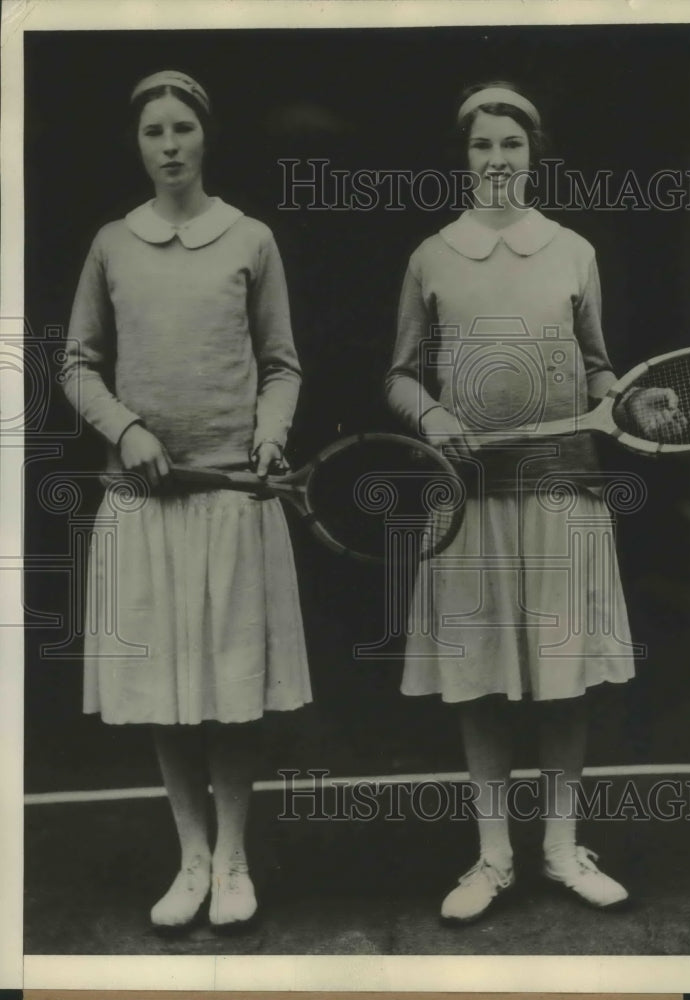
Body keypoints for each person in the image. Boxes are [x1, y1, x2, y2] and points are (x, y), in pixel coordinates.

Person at [385, 81, 680, 924]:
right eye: (483, 146)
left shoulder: (573, 251)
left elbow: (598, 371)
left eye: (511, 146)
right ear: (465, 156)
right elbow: (400, 375)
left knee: (565, 683)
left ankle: (560, 845)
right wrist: (433, 412)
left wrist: (632, 403)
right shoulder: (431, 257)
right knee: (478, 683)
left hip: (565, 493)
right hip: (471, 501)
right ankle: (492, 856)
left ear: (533, 154)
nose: (497, 161)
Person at [62, 70, 311, 931]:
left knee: (232, 691)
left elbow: (281, 366)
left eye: (182, 130)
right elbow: (76, 363)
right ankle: (192, 856)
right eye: (152, 133)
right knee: (167, 693)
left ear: (205, 136)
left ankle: (237, 855)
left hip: (234, 500)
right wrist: (127, 431)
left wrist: (270, 433)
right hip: (144, 504)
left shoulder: (251, 240)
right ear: (138, 145)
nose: (169, 145)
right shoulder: (111, 245)